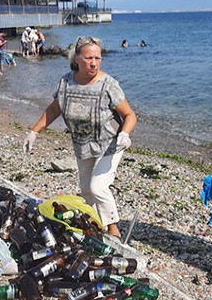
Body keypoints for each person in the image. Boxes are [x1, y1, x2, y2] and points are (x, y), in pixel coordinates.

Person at [23, 36, 137, 238]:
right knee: (86, 191)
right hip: (82, 144)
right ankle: (94, 224)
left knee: (98, 187)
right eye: (88, 58)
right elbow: (53, 110)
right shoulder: (66, 83)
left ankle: (113, 228)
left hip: (110, 144)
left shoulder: (108, 84)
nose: (93, 62)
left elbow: (130, 115)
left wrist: (125, 134)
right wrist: (34, 132)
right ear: (77, 58)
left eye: (97, 58)